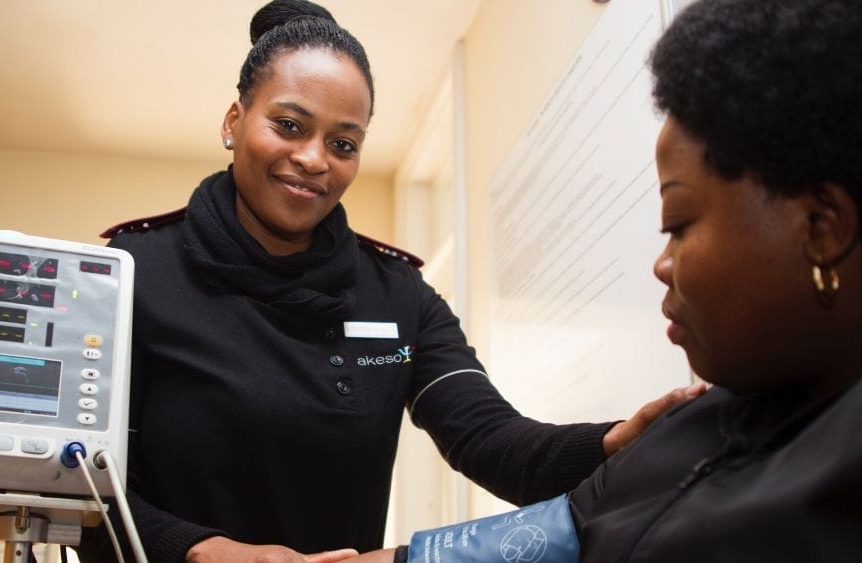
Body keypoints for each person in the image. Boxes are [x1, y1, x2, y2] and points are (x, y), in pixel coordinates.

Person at [75, 1, 699, 561]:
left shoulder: (399, 301)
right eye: (289, 125)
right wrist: (202, 551)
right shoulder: (134, 274)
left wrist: (614, 442)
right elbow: (80, 486)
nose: (314, 159)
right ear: (234, 121)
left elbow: (490, 439)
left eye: (343, 143)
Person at [352, 0, 862, 561]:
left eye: (678, 225)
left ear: (822, 228)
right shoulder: (699, 421)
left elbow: (488, 438)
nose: (661, 264)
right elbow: (562, 530)